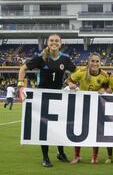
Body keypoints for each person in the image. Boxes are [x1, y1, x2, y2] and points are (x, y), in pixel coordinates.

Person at [18, 34, 76, 167]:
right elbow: (23, 69)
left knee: (60, 126)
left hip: (58, 97)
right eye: (51, 40)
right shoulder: (41, 57)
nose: (54, 42)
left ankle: (61, 153)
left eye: (57, 41)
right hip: (42, 98)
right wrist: (21, 84)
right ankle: (45, 157)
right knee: (44, 128)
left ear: (60, 44)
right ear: (48, 43)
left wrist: (69, 81)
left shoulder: (65, 59)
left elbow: (76, 72)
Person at [67, 52, 109, 164]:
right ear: (89, 62)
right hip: (82, 105)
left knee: (95, 131)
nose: (95, 63)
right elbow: (69, 80)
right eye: (93, 61)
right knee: (78, 130)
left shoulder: (104, 75)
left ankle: (94, 156)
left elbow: (107, 88)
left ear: (100, 63)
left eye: (97, 61)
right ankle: (77, 156)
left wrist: (104, 90)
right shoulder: (81, 72)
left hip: (97, 106)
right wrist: (71, 84)